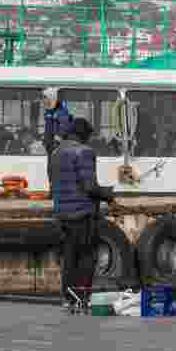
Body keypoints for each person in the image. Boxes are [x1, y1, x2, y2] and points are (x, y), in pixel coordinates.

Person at [50, 117, 115, 311]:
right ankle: (82, 298)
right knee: (87, 256)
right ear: (84, 135)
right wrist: (108, 194)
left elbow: (53, 185)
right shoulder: (84, 152)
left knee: (69, 257)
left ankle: (69, 299)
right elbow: (89, 186)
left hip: (62, 214)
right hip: (82, 214)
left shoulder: (56, 153)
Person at [42, 87, 74, 188]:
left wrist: (58, 139)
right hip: (50, 145)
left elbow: (65, 127)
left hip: (58, 146)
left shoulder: (61, 112)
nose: (44, 101)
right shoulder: (48, 112)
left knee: (58, 168)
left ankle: (59, 189)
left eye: (45, 98)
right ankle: (53, 188)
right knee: (51, 168)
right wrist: (45, 140)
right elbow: (48, 128)